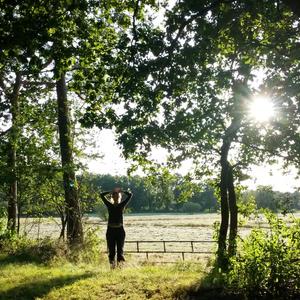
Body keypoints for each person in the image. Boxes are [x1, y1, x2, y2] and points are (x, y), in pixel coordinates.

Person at [100, 187, 132, 269]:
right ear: (112, 197)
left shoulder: (122, 205)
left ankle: (120, 267)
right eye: (114, 195)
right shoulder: (109, 205)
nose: (115, 196)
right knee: (111, 251)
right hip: (110, 231)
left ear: (119, 196)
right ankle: (112, 267)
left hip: (120, 231)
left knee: (120, 251)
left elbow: (130, 195)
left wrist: (121, 191)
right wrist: (110, 191)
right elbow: (101, 195)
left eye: (117, 195)